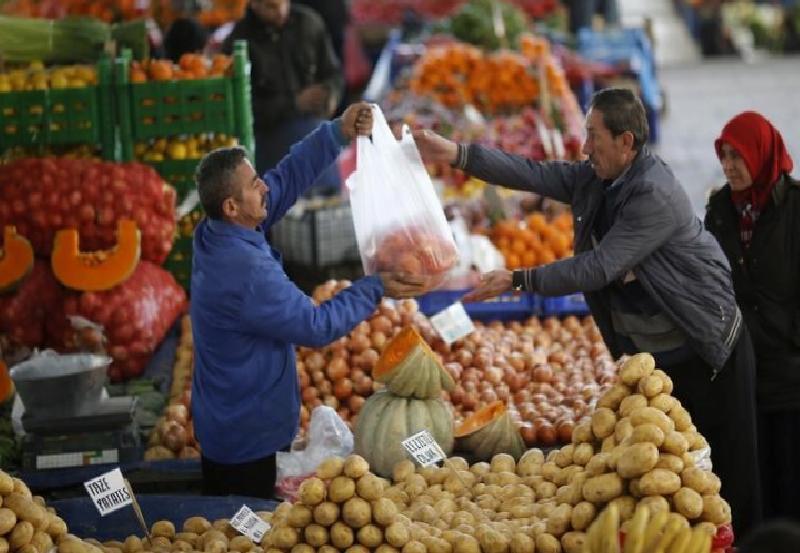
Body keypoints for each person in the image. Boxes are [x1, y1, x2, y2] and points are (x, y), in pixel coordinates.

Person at [412, 87, 762, 536]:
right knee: (677, 486)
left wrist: (519, 279)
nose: (583, 147)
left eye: (593, 136)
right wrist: (457, 154)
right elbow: (532, 173)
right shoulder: (598, 179)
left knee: (728, 482)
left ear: (626, 143)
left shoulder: (653, 194)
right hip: (662, 362)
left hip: (711, 352)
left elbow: (600, 266)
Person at [190, 103, 430, 499]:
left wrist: (335, 133)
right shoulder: (247, 272)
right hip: (247, 441)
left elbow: (282, 180)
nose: (263, 186)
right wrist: (373, 287)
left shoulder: (217, 231)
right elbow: (316, 327)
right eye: (253, 185)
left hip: (226, 420)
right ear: (232, 207)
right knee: (248, 531)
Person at [705, 111, 799, 522]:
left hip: (792, 370)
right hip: (742, 368)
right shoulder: (720, 210)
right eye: (724, 156)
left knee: (792, 482)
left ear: (760, 154)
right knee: (749, 486)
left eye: (737, 156)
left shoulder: (795, 208)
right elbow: (707, 278)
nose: (729, 166)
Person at [222, 0, 344, 175]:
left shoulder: (309, 23)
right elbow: (240, 110)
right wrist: (294, 104)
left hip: (316, 137)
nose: (280, 11)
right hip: (270, 146)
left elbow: (333, 73)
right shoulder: (238, 42)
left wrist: (331, 94)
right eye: (271, 6)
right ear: (254, 4)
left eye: (283, 3)